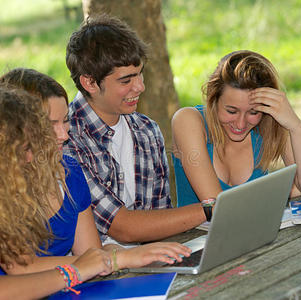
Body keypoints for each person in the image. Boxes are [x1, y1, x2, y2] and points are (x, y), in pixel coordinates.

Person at [0, 87, 188, 299]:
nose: (30, 158)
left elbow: (19, 263)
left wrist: (110, 260)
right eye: (24, 149)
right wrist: (77, 271)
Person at [0, 67, 190, 274]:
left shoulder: (69, 172)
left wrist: (119, 255)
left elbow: (90, 252)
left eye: (65, 120)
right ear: (14, 128)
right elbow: (20, 267)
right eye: (49, 125)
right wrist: (116, 259)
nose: (63, 135)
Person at [64, 14, 208, 245]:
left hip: (150, 261)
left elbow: (161, 219)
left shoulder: (146, 130)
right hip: (96, 272)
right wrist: (212, 209)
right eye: (126, 81)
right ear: (89, 83)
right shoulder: (66, 139)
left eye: (140, 74)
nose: (140, 86)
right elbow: (123, 228)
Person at [172, 50, 301, 208]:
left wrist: (295, 126)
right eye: (231, 111)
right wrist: (273, 193)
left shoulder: (267, 122)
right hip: (196, 233)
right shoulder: (188, 120)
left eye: (253, 112)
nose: (240, 124)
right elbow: (219, 208)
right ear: (213, 98)